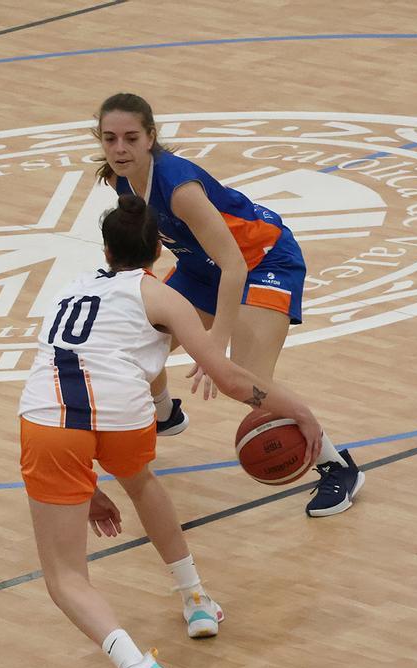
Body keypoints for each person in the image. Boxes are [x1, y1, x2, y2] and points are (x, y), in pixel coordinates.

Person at [19, 194, 324, 668]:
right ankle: (195, 596)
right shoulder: (161, 295)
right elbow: (230, 379)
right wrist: (297, 409)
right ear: (158, 249)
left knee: (66, 575)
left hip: (52, 418)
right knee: (139, 481)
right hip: (122, 411)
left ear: (106, 249)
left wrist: (81, 482)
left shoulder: (65, 292)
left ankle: (133, 665)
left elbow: (69, 367)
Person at [93, 92, 365, 517]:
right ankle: (164, 415)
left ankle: (337, 465)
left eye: (130, 137)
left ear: (150, 137)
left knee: (247, 383)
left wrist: (214, 342)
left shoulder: (179, 187)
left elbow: (235, 265)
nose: (120, 148)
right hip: (203, 268)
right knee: (132, 342)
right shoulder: (120, 179)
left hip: (262, 262)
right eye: (110, 139)